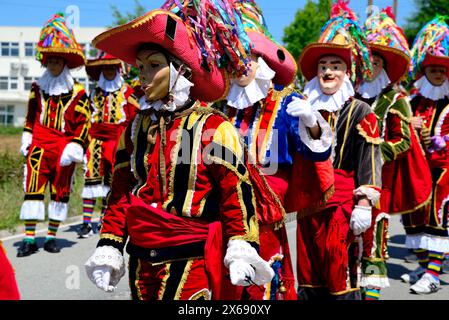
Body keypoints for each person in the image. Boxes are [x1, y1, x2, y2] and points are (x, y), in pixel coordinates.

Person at [84, 1, 274, 300]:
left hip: (192, 257)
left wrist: (241, 245)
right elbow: (120, 191)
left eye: (154, 65)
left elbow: (234, 191)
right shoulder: (134, 128)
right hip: (141, 257)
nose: (142, 76)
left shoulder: (213, 127)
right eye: (141, 67)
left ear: (179, 70)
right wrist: (109, 245)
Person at [221, 0, 333, 300]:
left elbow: (316, 153)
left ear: (263, 62)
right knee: (228, 279)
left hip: (267, 211)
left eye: (248, 59)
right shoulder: (221, 106)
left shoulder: (286, 102)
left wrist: (311, 122)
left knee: (263, 276)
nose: (240, 66)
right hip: (226, 207)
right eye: (233, 61)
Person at [293, 0, 383, 300]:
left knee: (340, 272)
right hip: (308, 205)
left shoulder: (360, 110)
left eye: (335, 66)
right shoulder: (303, 107)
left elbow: (369, 156)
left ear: (347, 72)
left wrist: (365, 202)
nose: (328, 72)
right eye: (323, 66)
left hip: (343, 204)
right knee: (309, 272)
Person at [354, 8, 433, 300]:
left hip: (378, 183)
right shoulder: (349, 97)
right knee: (347, 244)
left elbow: (403, 141)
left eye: (375, 63)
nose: (369, 68)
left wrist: (375, 152)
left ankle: (371, 296)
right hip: (347, 181)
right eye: (365, 63)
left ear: (383, 67)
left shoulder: (395, 99)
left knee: (374, 243)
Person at [17, 13, 90, 256]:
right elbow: (30, 116)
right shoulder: (37, 88)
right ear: (45, 63)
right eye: (50, 61)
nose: (53, 65)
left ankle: (50, 237)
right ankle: (28, 240)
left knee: (60, 192)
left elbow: (84, 124)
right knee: (33, 189)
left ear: (65, 63)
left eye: (58, 61)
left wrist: (76, 146)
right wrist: (26, 137)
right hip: (38, 145)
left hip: (63, 148)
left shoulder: (78, 93)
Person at [400, 16, 449, 294]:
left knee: (435, 216)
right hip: (418, 168)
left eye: (443, 70)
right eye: (433, 69)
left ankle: (432, 274)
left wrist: (443, 140)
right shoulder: (413, 102)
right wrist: (410, 124)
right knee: (412, 216)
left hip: (445, 169)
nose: (439, 74)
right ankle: (423, 264)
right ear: (425, 71)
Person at [78, 52, 139, 238]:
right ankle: (86, 223)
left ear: (118, 69)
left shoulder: (127, 92)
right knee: (91, 180)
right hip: (95, 142)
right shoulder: (94, 93)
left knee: (112, 184)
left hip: (118, 142)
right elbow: (85, 119)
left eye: (112, 68)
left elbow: (134, 119)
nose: (109, 71)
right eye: (106, 68)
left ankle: (105, 219)